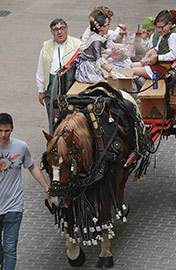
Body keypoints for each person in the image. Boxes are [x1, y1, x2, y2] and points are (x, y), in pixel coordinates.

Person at [0, 113, 49, 270]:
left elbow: (32, 167)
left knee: (10, 250)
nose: (3, 134)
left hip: (13, 207)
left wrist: (46, 187)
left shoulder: (21, 147)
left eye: (7, 131)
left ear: (12, 129)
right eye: (0, 130)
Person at [36, 18, 80, 118]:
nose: (60, 32)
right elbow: (41, 69)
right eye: (56, 29)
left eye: (62, 28)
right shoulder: (46, 46)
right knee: (53, 118)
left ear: (67, 29)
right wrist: (41, 90)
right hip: (52, 87)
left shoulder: (77, 44)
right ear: (52, 32)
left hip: (70, 88)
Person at [131, 10, 176, 79]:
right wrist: (153, 50)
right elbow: (159, 46)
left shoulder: (173, 35)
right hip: (160, 64)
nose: (158, 30)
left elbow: (174, 54)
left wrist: (158, 57)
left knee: (132, 70)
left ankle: (139, 84)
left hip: (164, 68)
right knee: (132, 65)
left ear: (169, 24)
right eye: (157, 27)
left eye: (160, 27)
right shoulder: (165, 33)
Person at [75, 10, 117, 83]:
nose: (109, 27)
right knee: (101, 82)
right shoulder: (96, 41)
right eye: (108, 25)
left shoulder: (95, 35)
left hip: (92, 64)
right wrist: (111, 71)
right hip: (88, 69)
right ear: (101, 28)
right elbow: (99, 60)